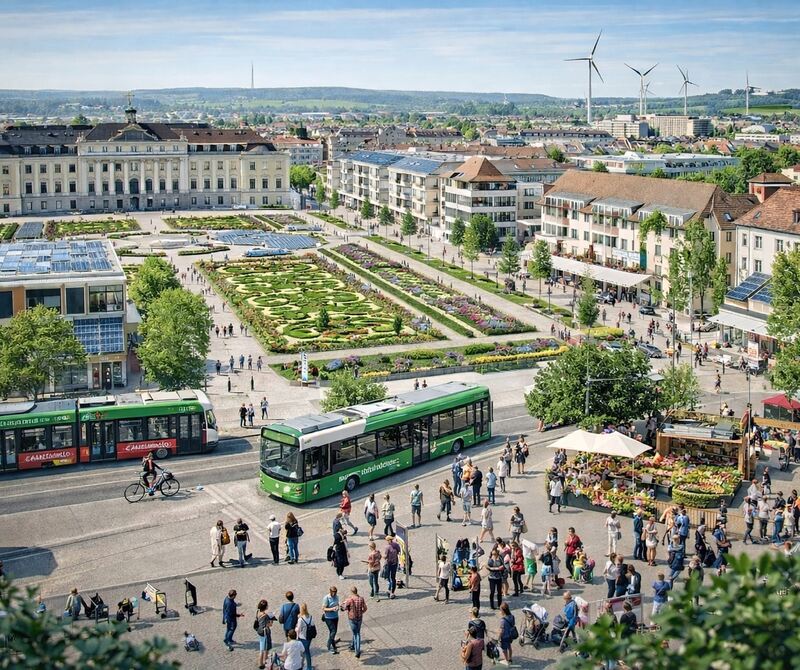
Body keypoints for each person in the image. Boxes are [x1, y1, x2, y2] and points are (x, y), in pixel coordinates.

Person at [342, 586, 367, 659]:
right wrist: (361, 612)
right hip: (359, 618)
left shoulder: (349, 600)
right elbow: (365, 608)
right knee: (358, 633)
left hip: (352, 619)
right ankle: (355, 647)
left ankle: (357, 651)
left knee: (355, 633)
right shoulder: (361, 599)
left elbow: (344, 608)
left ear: (351, 592)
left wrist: (343, 603)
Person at [255, 599, 274, 669]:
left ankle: (260, 663)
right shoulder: (265, 615)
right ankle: (265, 662)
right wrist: (271, 620)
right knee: (265, 649)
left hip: (259, 631)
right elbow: (269, 624)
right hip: (265, 632)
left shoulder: (257, 612)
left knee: (261, 647)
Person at [295, 603, 314, 670]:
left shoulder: (301, 619)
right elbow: (313, 625)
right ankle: (307, 666)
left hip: (303, 637)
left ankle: (306, 666)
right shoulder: (311, 616)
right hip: (309, 637)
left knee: (305, 652)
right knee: (305, 651)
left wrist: (295, 628)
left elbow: (298, 629)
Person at [322, 586, 340, 655]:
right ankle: (329, 646)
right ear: (330, 591)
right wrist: (332, 609)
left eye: (335, 592)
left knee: (333, 632)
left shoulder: (336, 597)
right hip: (328, 618)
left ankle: (333, 644)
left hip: (335, 617)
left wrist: (338, 607)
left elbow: (337, 604)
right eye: (333, 592)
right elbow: (323, 608)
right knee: (333, 631)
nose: (334, 594)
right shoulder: (326, 598)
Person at [384, 535, 400, 599]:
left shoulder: (387, 547)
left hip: (389, 563)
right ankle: (392, 592)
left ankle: (390, 590)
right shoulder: (396, 545)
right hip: (395, 563)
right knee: (393, 578)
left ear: (388, 540)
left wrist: (382, 556)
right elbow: (399, 551)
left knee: (389, 577)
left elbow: (385, 556)